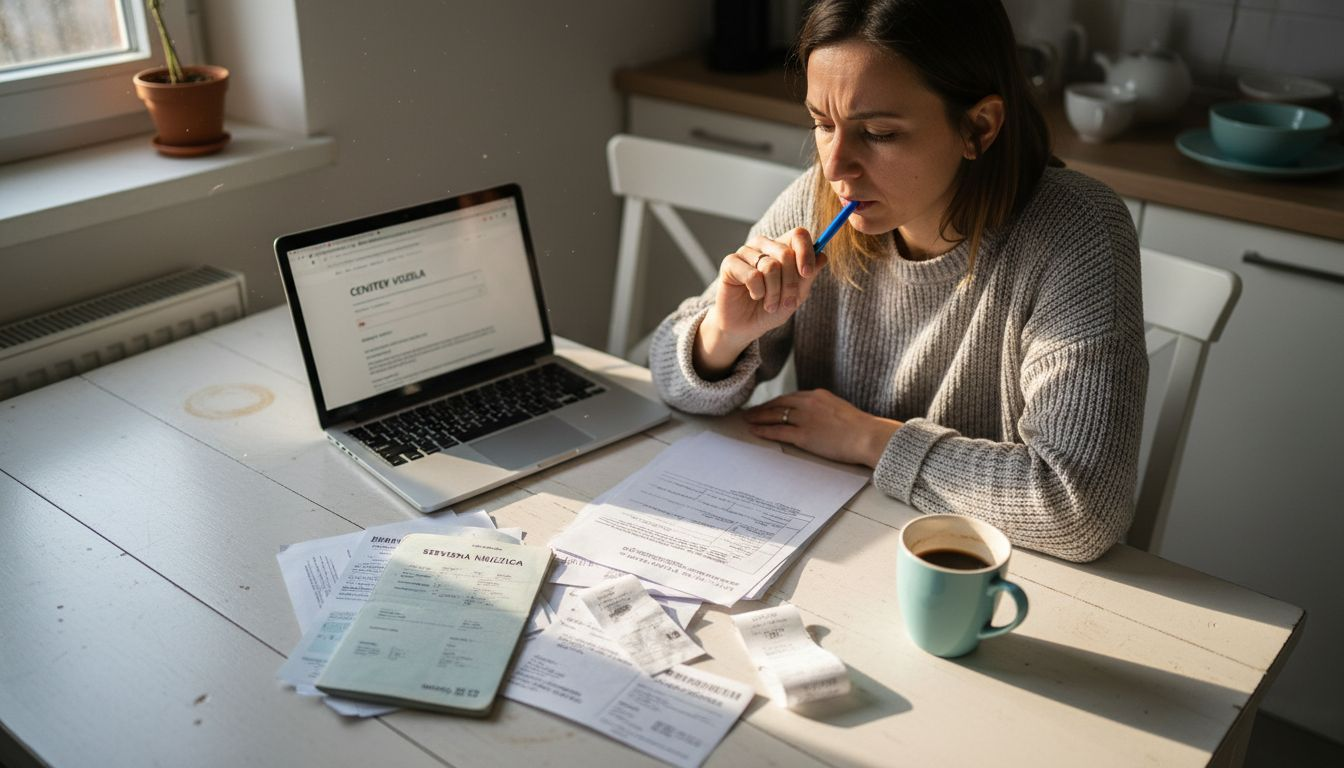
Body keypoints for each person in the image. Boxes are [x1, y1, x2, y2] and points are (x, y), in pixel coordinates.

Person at [648, 0, 1147, 563]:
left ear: (977, 127)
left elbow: (1078, 508)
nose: (835, 166)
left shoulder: (1077, 231)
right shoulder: (819, 199)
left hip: (997, 577)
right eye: (821, 123)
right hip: (840, 544)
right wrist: (723, 334)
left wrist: (867, 438)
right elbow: (668, 376)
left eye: (880, 132)